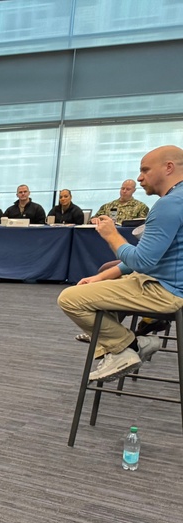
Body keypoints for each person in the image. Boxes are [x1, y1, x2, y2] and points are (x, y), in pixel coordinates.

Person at [57, 145, 183, 382]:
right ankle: (119, 343)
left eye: (145, 170)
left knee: (70, 299)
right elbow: (154, 255)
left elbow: (143, 261)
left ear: (168, 168)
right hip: (168, 283)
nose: (139, 177)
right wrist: (101, 277)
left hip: (166, 291)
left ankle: (129, 345)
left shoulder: (169, 205)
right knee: (101, 278)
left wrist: (111, 235)